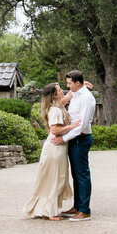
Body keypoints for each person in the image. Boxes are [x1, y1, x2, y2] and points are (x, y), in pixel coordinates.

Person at [23, 83, 80, 221]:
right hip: (55, 149)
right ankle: (50, 212)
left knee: (55, 179)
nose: (63, 91)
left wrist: (82, 86)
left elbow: (68, 97)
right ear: (55, 95)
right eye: (60, 90)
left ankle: (47, 210)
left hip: (58, 148)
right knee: (55, 179)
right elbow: (54, 130)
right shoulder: (55, 110)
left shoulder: (57, 105)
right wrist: (71, 126)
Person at [53, 69, 95, 220]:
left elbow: (82, 125)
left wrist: (63, 139)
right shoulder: (76, 94)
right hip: (74, 139)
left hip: (81, 139)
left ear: (77, 83)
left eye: (70, 83)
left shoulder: (87, 98)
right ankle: (77, 206)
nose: (68, 86)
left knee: (82, 174)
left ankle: (85, 210)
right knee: (76, 175)